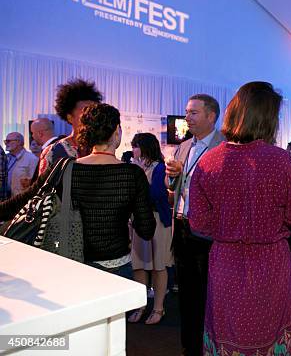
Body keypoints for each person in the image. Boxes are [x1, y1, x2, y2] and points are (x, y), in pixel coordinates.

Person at [189, 81, 291, 355]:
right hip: (271, 264)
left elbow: (199, 223)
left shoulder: (208, 161)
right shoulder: (279, 159)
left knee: (226, 333)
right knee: (274, 335)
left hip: (225, 263)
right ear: (268, 119)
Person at [0, 104, 156, 276]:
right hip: (116, 267)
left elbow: (23, 200)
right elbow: (146, 230)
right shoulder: (132, 174)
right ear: (117, 131)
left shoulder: (64, 168)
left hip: (72, 264)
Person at [165, 94, 225, 356]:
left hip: (208, 232)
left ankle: (209, 346)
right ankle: (189, 346)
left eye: (193, 113)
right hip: (181, 226)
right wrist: (172, 178)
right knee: (186, 294)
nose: (187, 118)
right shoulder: (184, 146)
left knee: (208, 294)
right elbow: (172, 189)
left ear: (211, 116)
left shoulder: (225, 147)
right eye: (187, 112)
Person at [128, 133, 173, 325]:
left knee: (158, 266)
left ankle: (158, 308)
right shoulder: (136, 166)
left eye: (136, 146)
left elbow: (156, 195)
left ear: (145, 147)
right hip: (138, 220)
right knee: (138, 265)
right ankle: (140, 306)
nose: (133, 150)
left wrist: (139, 174)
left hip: (156, 221)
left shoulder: (160, 167)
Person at [38, 79, 103, 175]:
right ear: (70, 117)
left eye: (94, 111)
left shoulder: (102, 148)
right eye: (85, 111)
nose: (91, 116)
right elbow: (44, 187)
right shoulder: (53, 151)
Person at [4, 132, 38, 197]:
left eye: (8, 141)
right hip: (5, 199)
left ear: (19, 142)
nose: (6, 144)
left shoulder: (32, 159)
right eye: (5, 141)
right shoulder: (5, 158)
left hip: (21, 200)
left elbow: (35, 182)